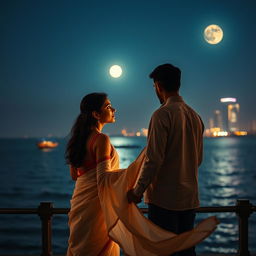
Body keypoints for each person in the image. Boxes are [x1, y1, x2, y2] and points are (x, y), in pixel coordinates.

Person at [66, 92, 218, 256]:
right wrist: (138, 166)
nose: (114, 109)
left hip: (80, 207)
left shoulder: (78, 140)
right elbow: (103, 180)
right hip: (97, 211)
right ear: (96, 114)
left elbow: (76, 176)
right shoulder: (101, 139)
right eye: (108, 106)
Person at [127, 63, 205, 256]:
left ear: (158, 86)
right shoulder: (196, 117)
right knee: (186, 251)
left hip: (164, 201)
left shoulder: (161, 115)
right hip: (189, 199)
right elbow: (198, 159)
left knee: (162, 250)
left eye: (154, 86)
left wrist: (137, 191)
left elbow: (153, 159)